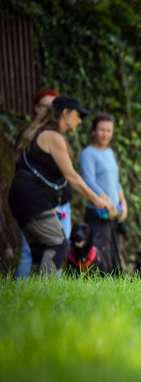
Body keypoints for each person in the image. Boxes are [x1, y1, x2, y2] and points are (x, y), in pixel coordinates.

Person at [9, 96, 113, 276]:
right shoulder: (53, 136)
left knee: (40, 251)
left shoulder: (42, 132)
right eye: (77, 115)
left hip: (24, 198)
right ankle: (47, 290)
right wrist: (96, 200)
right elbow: (72, 176)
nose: (80, 120)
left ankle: (32, 295)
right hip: (32, 200)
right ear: (65, 114)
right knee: (58, 245)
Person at [15, 88, 74, 278]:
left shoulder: (59, 136)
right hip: (38, 204)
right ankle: (37, 292)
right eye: (45, 105)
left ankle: (46, 293)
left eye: (54, 105)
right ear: (35, 108)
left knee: (57, 249)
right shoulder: (30, 136)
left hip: (58, 203)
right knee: (32, 252)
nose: (49, 109)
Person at [80, 113, 128, 275]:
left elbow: (115, 181)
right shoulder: (88, 153)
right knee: (98, 252)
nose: (105, 134)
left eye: (109, 130)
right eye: (101, 130)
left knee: (112, 252)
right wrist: (106, 201)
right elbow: (88, 181)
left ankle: (112, 288)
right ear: (94, 131)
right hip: (97, 212)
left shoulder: (109, 152)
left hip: (113, 213)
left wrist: (123, 203)